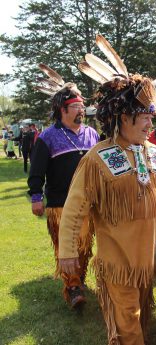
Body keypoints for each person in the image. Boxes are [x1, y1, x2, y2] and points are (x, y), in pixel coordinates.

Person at [58, 36, 156, 345]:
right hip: (116, 265)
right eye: (145, 117)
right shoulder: (97, 159)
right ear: (123, 118)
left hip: (144, 264)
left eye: (152, 117)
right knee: (129, 330)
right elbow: (75, 207)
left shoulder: (155, 155)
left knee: (141, 319)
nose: (150, 124)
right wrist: (68, 251)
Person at [28, 67, 99, 308]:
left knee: (84, 244)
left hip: (87, 202)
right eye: (77, 107)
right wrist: (36, 196)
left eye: (82, 107)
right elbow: (36, 170)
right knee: (64, 244)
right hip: (60, 202)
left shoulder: (92, 134)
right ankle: (73, 286)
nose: (82, 110)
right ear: (63, 110)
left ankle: (80, 279)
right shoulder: (48, 136)